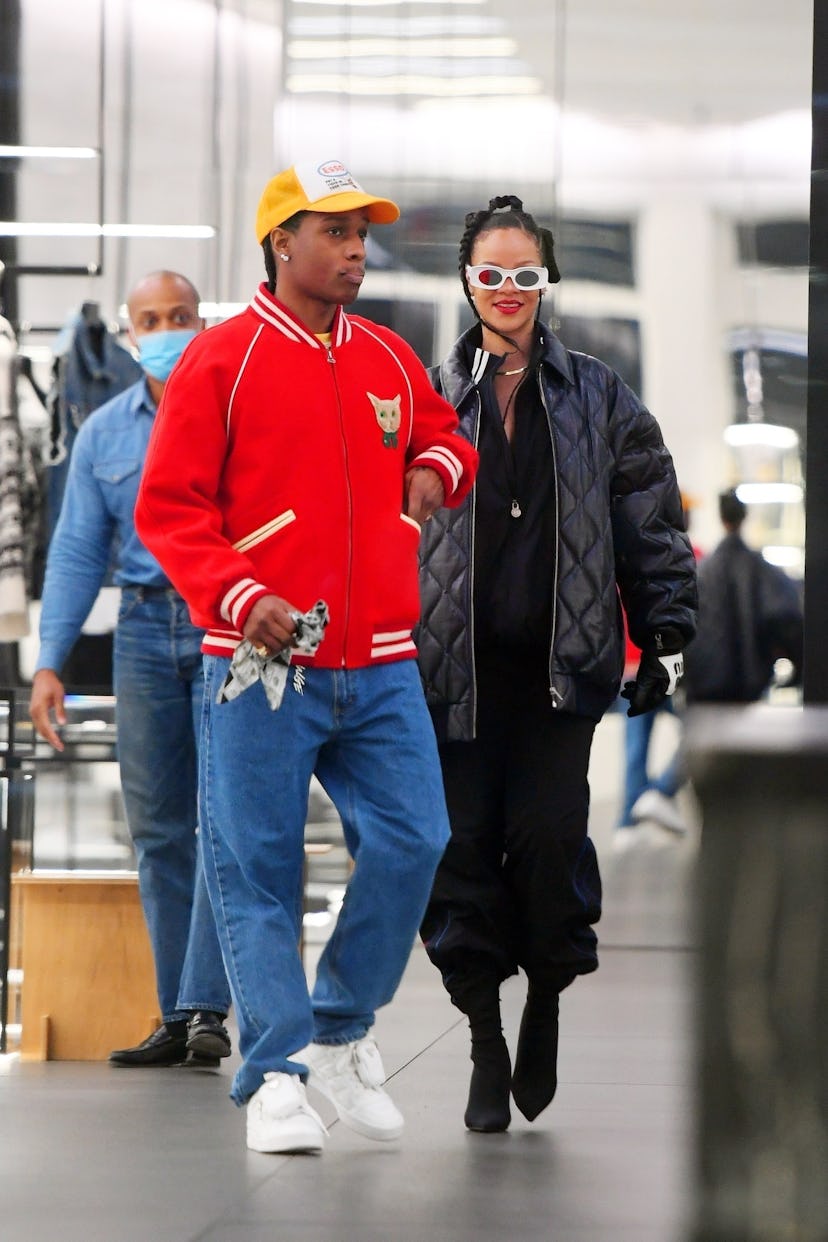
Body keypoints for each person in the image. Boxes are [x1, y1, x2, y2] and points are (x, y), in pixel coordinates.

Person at [134, 159, 479, 1155]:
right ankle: (275, 1071)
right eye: (334, 231)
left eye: (363, 234)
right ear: (282, 243)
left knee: (416, 838)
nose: (357, 250)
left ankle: (338, 1031)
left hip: (379, 662)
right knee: (257, 868)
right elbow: (171, 509)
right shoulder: (220, 359)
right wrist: (242, 595)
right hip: (259, 669)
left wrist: (428, 470)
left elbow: (447, 435)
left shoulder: (385, 355)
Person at [417, 194, 697, 1133]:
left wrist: (665, 633)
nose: (506, 291)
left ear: (546, 282)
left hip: (556, 675)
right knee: (459, 858)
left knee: (545, 845)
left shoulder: (601, 396)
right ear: (467, 281)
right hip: (445, 679)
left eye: (524, 275)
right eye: (490, 275)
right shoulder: (425, 394)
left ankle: (547, 997)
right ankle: (484, 1038)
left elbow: (649, 519)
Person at [29, 271, 232, 1068]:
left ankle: (209, 1006)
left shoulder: (233, 413)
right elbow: (78, 550)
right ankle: (177, 1010)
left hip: (225, 628)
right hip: (143, 631)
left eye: (180, 315)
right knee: (156, 829)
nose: (168, 330)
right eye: (152, 319)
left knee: (224, 821)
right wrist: (50, 661)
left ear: (201, 318)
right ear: (128, 329)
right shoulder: (105, 433)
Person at [615, 492, 702, 844]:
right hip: (670, 668)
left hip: (634, 668)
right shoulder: (693, 558)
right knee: (697, 735)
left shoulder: (632, 554)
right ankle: (660, 794)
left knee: (635, 750)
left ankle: (626, 825)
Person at [682, 487, 803, 703]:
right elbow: (786, 617)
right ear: (744, 517)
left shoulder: (702, 572)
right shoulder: (762, 571)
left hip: (704, 685)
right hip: (750, 685)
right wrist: (797, 666)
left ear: (721, 517)